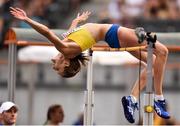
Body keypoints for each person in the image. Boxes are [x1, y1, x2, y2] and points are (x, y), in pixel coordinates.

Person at [10, 7, 170, 123]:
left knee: (153, 63)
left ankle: (132, 98)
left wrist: (76, 21)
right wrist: (27, 20)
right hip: (114, 33)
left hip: (114, 38)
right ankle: (159, 99)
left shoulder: (66, 43)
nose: (53, 63)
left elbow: (70, 31)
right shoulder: (64, 49)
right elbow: (47, 32)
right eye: (57, 67)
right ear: (66, 63)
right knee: (162, 51)